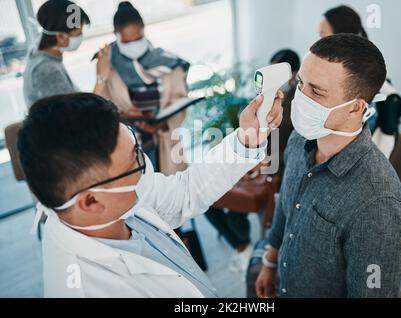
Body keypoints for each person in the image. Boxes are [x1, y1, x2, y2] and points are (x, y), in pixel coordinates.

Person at [18, 91, 283, 298]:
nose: (145, 164)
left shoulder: (116, 202)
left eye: (136, 147)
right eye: (135, 160)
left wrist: (248, 139)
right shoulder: (88, 288)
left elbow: (186, 192)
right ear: (91, 201)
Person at [255, 34, 401, 298]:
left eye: (316, 91)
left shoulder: (379, 206)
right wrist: (271, 262)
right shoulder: (298, 140)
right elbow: (286, 206)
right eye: (300, 84)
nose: (300, 98)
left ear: (355, 108)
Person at [204, 49, 301, 275]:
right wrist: (250, 159)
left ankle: (245, 246)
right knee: (210, 203)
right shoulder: (265, 99)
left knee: (236, 208)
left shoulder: (297, 104)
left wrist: (263, 164)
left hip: (277, 168)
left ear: (293, 74)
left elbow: (290, 148)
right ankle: (241, 245)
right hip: (256, 159)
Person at [99, 1, 190, 174]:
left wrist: (161, 126)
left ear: (144, 30)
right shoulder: (108, 67)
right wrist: (124, 115)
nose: (134, 45)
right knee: (141, 193)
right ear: (116, 35)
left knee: (170, 191)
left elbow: (179, 102)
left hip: (164, 142)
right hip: (129, 145)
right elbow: (101, 107)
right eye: (128, 41)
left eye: (138, 39)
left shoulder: (167, 62)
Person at [319, 5, 401, 158]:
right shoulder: (331, 78)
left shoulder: (381, 96)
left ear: (340, 38)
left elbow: (379, 155)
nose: (319, 44)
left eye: (323, 36)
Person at [23, 0, 111, 107]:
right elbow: (76, 117)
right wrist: (101, 78)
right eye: (78, 33)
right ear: (60, 36)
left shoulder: (40, 52)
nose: (81, 37)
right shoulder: (47, 70)